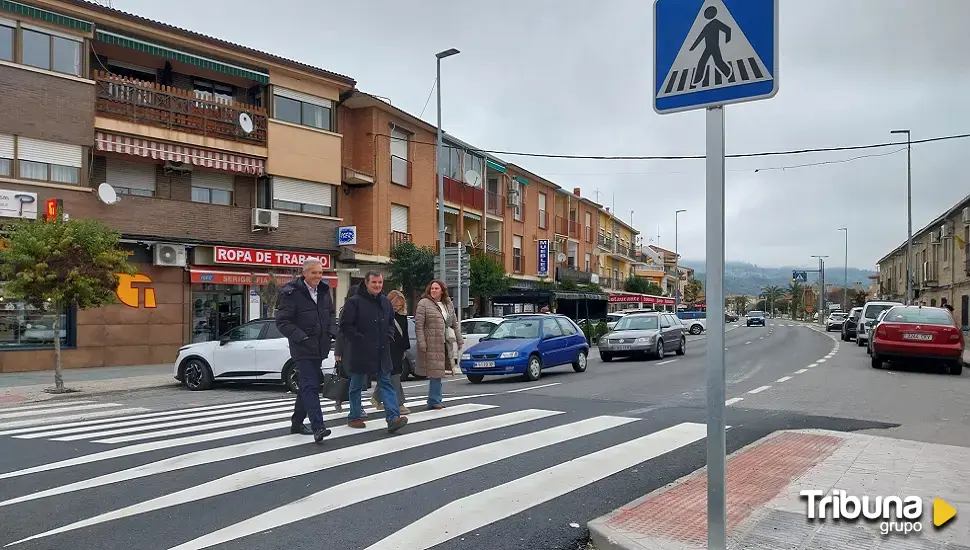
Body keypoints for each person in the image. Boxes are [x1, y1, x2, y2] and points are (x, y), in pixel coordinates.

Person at [275, 258, 335, 443]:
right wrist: (301, 337)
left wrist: (332, 332)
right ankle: (319, 427)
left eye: (320, 272)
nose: (318, 276)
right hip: (302, 347)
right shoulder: (291, 293)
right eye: (314, 273)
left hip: (319, 346)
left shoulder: (324, 291)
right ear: (304, 273)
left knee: (309, 383)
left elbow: (330, 314)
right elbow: (282, 322)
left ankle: (296, 422)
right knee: (311, 384)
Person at [339, 271, 408, 433]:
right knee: (356, 384)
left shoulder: (385, 302)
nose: (377, 286)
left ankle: (393, 418)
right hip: (361, 351)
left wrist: (389, 336)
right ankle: (354, 416)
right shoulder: (354, 302)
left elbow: (391, 322)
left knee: (386, 383)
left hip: (382, 350)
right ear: (366, 282)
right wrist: (359, 340)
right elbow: (345, 326)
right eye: (374, 283)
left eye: (380, 283)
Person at [414, 280, 461, 410]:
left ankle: (435, 399)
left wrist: (459, 340)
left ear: (442, 290)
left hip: (444, 342)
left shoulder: (447, 304)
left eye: (436, 288)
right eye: (432, 288)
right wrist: (422, 342)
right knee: (435, 373)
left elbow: (454, 323)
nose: (433, 290)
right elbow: (419, 325)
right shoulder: (424, 303)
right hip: (431, 342)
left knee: (439, 372)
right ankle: (434, 400)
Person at [372, 290, 410, 415]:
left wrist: (405, 349)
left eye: (400, 305)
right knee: (393, 375)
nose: (397, 307)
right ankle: (399, 403)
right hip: (387, 347)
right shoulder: (383, 314)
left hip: (398, 349)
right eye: (395, 305)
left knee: (392, 374)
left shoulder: (403, 316)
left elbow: (405, 334)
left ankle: (376, 397)